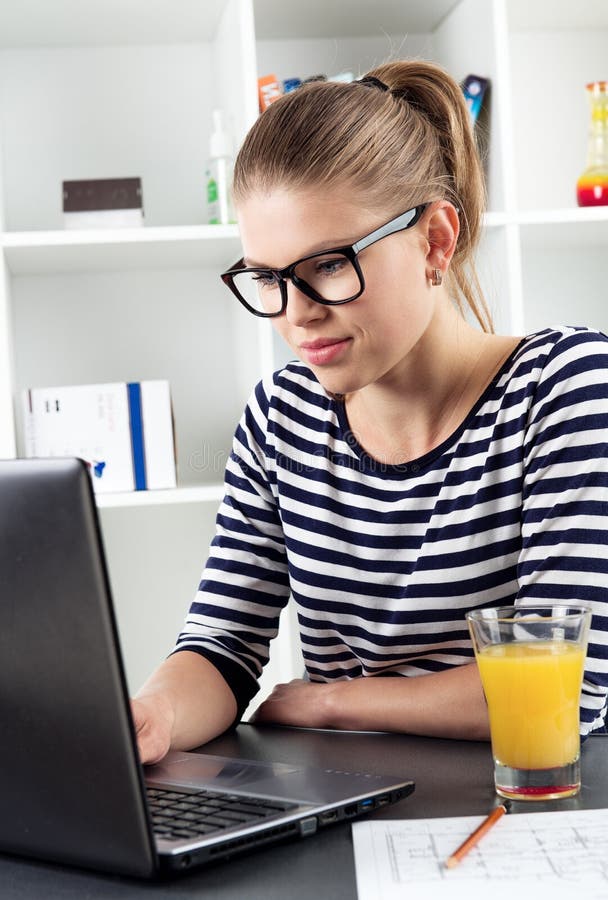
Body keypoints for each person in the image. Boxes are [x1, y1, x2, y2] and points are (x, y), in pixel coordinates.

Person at [133, 60, 608, 765]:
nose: (296, 315)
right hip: (344, 813)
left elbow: (567, 686)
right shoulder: (278, 417)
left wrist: (333, 699)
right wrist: (154, 711)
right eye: (267, 277)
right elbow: (221, 647)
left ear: (436, 241)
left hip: (530, 811)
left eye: (327, 264)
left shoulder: (564, 385)